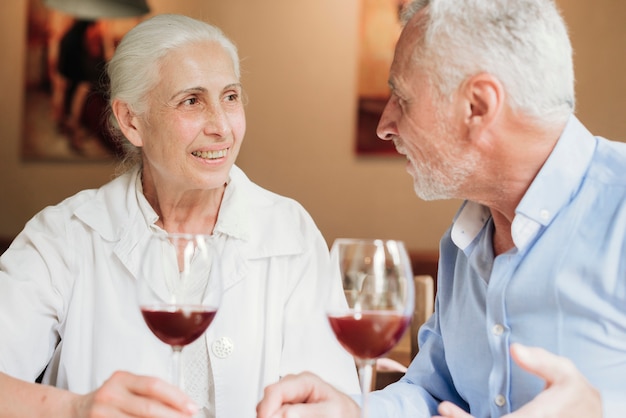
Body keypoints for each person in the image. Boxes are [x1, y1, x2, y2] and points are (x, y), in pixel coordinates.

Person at [256, 0, 626, 417]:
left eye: (402, 97)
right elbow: (433, 392)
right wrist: (352, 411)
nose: (384, 124)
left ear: (478, 106)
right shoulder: (465, 236)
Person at [0, 14, 359, 417]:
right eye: (192, 101)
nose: (222, 127)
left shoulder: (290, 232)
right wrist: (76, 409)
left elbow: (335, 402)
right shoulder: (63, 237)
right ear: (131, 121)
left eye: (230, 96)